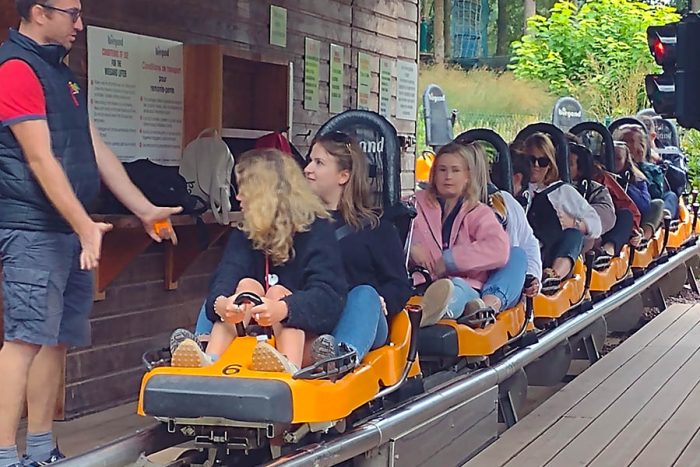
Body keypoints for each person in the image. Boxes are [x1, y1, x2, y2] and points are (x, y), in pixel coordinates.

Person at [0, 2, 181, 466]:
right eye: (72, 13)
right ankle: (4, 455)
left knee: (54, 338)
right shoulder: (16, 70)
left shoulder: (61, 72)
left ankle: (40, 449)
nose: (80, 24)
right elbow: (39, 159)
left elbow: (93, 145)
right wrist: (85, 225)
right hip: (32, 230)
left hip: (67, 230)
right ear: (39, 12)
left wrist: (142, 209)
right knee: (23, 340)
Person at [170, 149, 347, 374]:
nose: (238, 197)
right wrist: (222, 304)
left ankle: (287, 367)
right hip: (251, 329)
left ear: (266, 194)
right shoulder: (245, 233)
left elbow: (328, 295)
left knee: (277, 293)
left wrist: (282, 308)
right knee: (245, 287)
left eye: (245, 189)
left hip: (302, 334)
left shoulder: (317, 231)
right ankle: (211, 360)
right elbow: (227, 275)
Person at [302, 132, 412, 365]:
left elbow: (400, 285)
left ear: (344, 176)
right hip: (312, 316)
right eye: (309, 160)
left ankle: (337, 361)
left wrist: (384, 299)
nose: (308, 169)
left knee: (364, 294)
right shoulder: (298, 225)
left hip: (362, 316)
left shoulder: (376, 229)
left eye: (318, 163)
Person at [409, 142, 511, 327]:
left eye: (455, 171)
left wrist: (449, 260)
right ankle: (445, 310)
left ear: (467, 177)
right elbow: (394, 234)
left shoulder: (478, 212)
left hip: (464, 284)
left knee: (456, 290)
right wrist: (411, 249)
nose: (448, 177)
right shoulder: (415, 204)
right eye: (442, 170)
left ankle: (433, 313)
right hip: (420, 284)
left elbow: (499, 248)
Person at [518, 133, 602, 289]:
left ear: (549, 164)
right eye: (531, 160)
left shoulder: (562, 191)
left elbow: (596, 225)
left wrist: (574, 223)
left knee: (573, 235)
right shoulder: (515, 189)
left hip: (549, 251)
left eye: (542, 161)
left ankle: (553, 276)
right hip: (524, 252)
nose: (536, 165)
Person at [612, 140, 665, 242]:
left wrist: (623, 185)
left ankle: (644, 235)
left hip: (637, 217)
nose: (613, 161)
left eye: (618, 158)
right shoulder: (600, 176)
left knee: (658, 204)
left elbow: (644, 205)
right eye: (609, 157)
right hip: (615, 219)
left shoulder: (638, 179)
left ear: (626, 160)